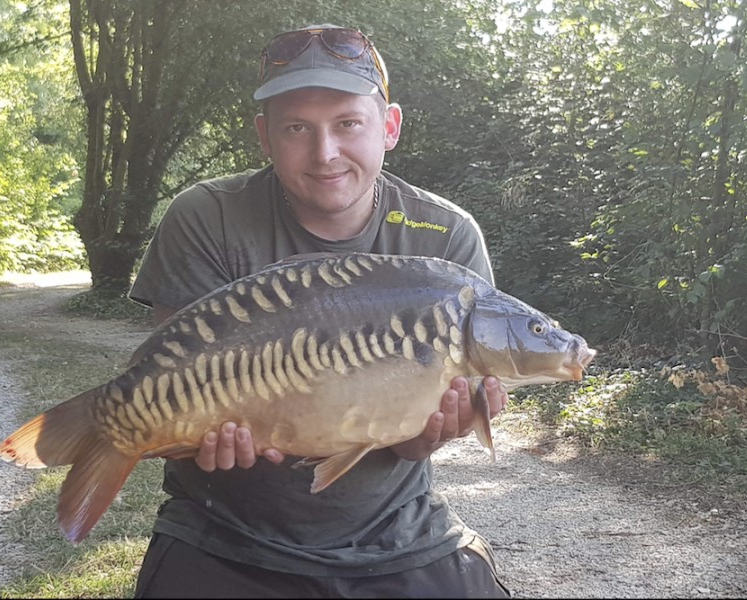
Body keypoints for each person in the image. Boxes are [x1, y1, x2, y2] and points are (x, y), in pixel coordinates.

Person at [128, 23, 511, 599]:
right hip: (224, 531)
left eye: (348, 124)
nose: (325, 152)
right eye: (297, 128)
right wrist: (194, 429)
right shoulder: (207, 216)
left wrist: (430, 432)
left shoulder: (445, 240)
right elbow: (176, 377)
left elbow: (408, 444)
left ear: (389, 127)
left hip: (395, 533)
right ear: (264, 136)